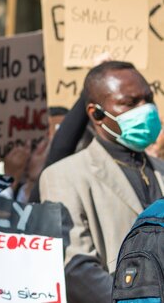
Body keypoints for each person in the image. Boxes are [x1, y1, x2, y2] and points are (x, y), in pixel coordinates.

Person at [40, 61, 164, 303]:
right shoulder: (64, 176)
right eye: (130, 103)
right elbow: (76, 270)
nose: (146, 108)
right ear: (96, 113)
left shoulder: (159, 169)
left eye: (148, 99)